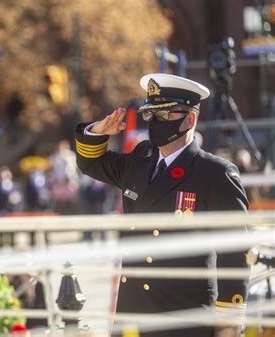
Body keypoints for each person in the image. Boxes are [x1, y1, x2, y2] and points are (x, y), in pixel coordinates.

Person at [75, 73, 249, 337]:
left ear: (190, 119)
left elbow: (234, 253)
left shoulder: (215, 173)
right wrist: (98, 132)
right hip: (132, 314)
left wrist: (228, 323)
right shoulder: (140, 160)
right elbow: (90, 163)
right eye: (152, 115)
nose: (157, 122)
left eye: (166, 114)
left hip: (182, 319)